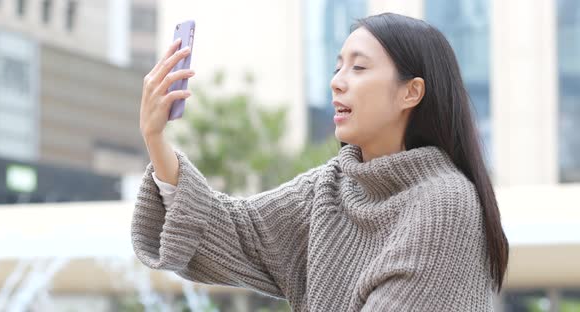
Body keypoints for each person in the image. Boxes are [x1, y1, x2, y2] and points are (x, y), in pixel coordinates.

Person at [132, 12, 509, 312]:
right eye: (337, 67)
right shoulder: (329, 186)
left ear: (411, 92)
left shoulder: (445, 204)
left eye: (358, 68)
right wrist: (155, 138)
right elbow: (235, 231)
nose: (337, 82)